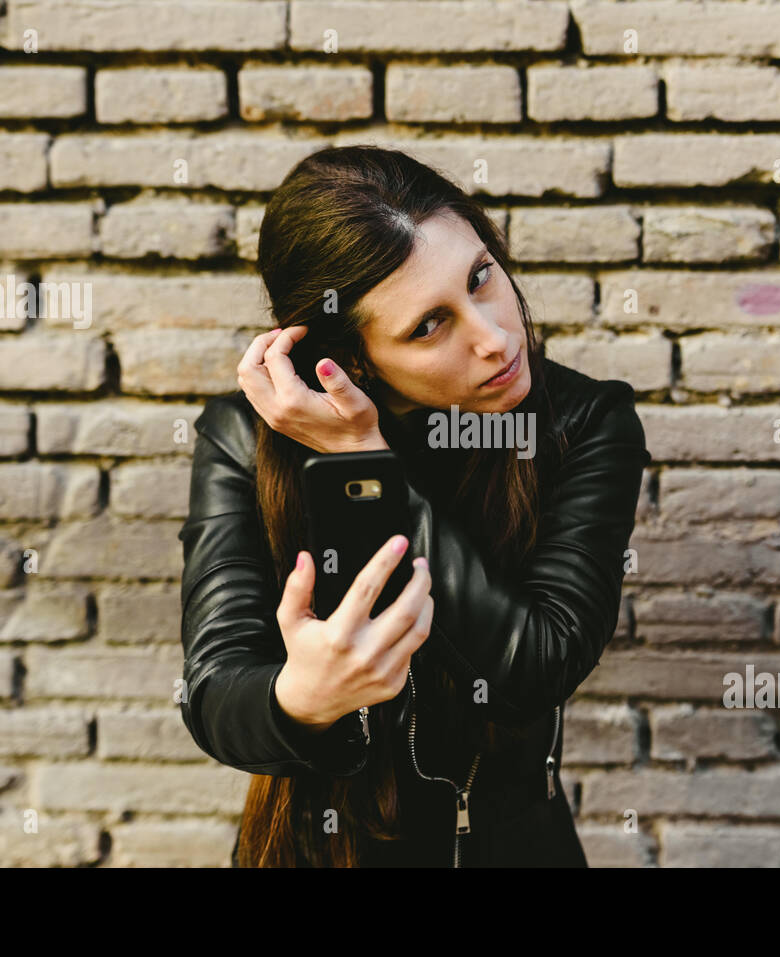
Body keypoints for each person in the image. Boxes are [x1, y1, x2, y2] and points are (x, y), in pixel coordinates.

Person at [178, 145, 651, 867]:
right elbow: (213, 689)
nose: (494, 338)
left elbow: (542, 659)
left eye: (481, 277)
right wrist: (299, 698)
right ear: (354, 357)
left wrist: (369, 462)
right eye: (430, 325)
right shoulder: (247, 436)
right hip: (315, 852)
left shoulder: (582, 422)